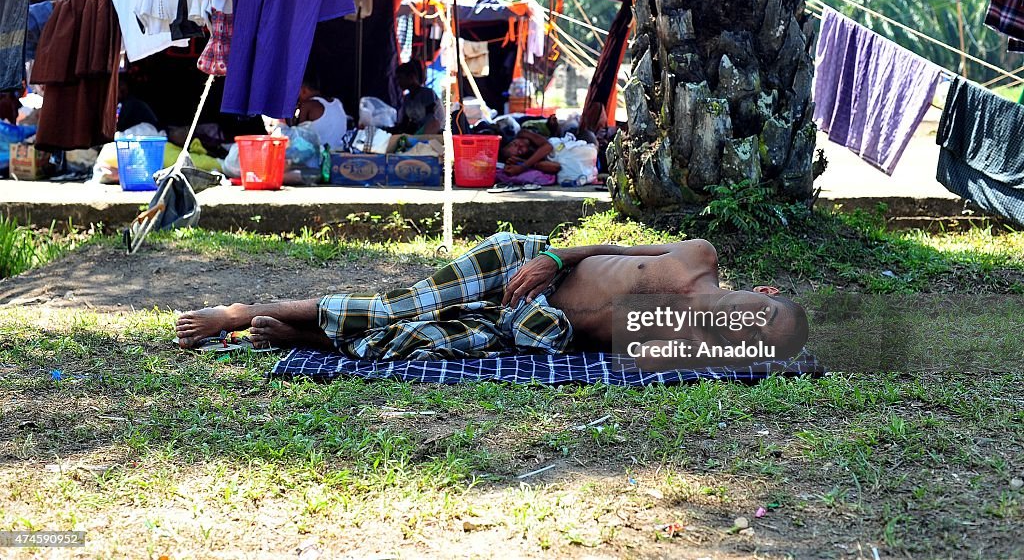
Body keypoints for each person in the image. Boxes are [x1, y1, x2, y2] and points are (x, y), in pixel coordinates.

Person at [175, 233, 809, 370]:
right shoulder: (697, 258)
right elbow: (611, 243)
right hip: (528, 268)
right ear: (762, 293)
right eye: (756, 312)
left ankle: (305, 338)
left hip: (534, 321)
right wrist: (556, 259)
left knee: (432, 342)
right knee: (400, 304)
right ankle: (235, 314)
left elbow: (585, 339)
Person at [293, 75, 348, 150]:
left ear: (303, 90)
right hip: (338, 152)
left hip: (319, 155)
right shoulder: (338, 103)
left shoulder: (307, 105)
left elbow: (299, 136)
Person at [394, 61, 442, 135]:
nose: (398, 82)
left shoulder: (428, 94)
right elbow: (405, 121)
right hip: (418, 132)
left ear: (411, 77)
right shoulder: (407, 98)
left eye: (400, 78)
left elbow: (430, 118)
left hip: (433, 132)